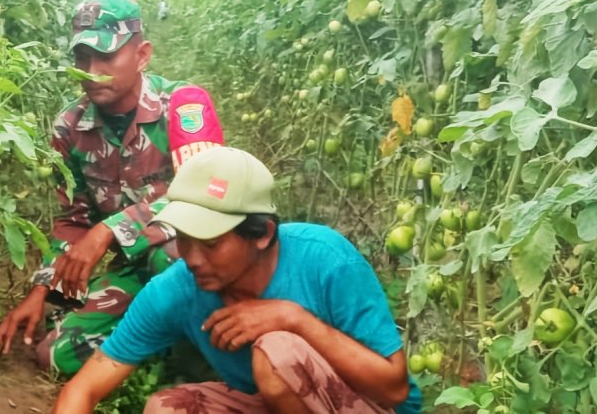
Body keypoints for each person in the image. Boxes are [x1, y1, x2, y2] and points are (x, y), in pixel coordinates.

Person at [53, 147, 422, 413]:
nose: (192, 258)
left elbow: (394, 388)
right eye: (183, 238)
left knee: (279, 352)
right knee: (168, 408)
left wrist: (294, 319)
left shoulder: (326, 260)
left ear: (261, 234)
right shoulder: (177, 289)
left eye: (211, 243)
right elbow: (83, 390)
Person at [0, 0, 224, 376]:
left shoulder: (183, 106)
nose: (92, 71)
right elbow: (74, 218)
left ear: (142, 55)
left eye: (106, 58)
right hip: (135, 264)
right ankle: (160, 332)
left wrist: (109, 230)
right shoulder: (70, 126)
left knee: (174, 257)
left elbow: (208, 195)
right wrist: (40, 291)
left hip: (191, 252)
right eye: (82, 59)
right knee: (57, 354)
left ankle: (202, 348)